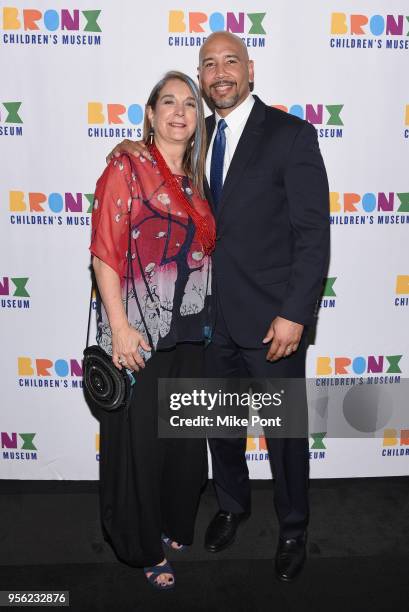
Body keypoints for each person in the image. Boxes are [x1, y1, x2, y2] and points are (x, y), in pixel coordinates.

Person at [107, 32, 330, 582]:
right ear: (202, 78)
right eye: (209, 64)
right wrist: (130, 146)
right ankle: (232, 506)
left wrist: (296, 312)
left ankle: (294, 527)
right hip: (206, 325)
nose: (219, 72)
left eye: (231, 61)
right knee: (220, 429)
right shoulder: (195, 147)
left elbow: (312, 233)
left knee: (283, 433)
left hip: (272, 320)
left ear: (250, 70)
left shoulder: (290, 135)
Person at [90, 71, 215, 590]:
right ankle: (143, 545)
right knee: (140, 444)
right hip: (139, 332)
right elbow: (104, 252)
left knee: (182, 439)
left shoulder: (196, 179)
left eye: (190, 103)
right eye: (169, 102)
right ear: (150, 113)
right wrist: (118, 327)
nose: (180, 112)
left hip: (191, 332)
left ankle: (172, 519)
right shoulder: (127, 169)